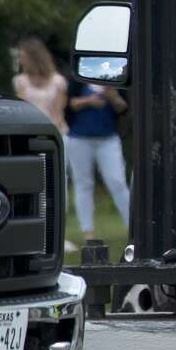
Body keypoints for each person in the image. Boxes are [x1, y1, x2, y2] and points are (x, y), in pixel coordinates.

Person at [65, 78, 131, 241]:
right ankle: (88, 232)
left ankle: (132, 227)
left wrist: (113, 97)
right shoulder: (79, 80)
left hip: (108, 139)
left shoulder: (115, 81)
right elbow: (69, 104)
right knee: (83, 183)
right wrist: (89, 101)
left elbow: (123, 108)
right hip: (79, 138)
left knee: (117, 182)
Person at [12, 37, 69, 135]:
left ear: (33, 57)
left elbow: (58, 113)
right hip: (28, 132)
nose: (19, 61)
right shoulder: (20, 81)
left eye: (22, 57)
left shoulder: (58, 81)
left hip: (54, 131)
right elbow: (21, 111)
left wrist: (48, 132)